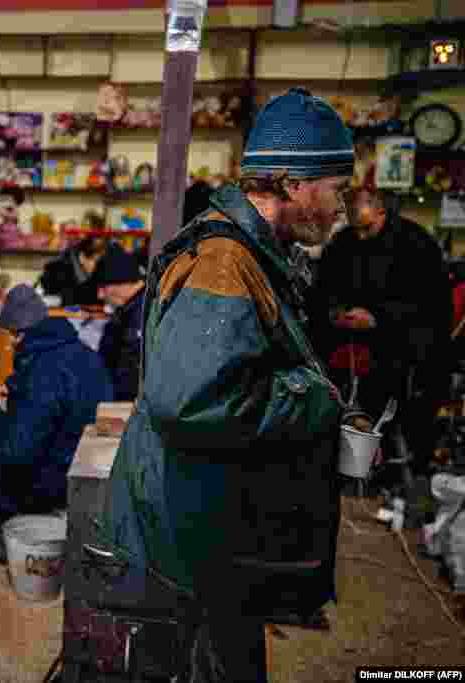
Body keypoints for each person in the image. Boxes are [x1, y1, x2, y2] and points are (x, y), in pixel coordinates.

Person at [99, 88, 351, 680]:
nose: (342, 205)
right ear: (293, 183)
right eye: (337, 187)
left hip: (214, 522)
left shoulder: (260, 253)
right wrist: (312, 399)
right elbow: (189, 401)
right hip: (192, 536)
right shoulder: (224, 261)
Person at [0, 284, 114, 563]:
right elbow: (52, 388)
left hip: (49, 482)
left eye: (9, 336)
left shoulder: (43, 374)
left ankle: (2, 533)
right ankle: (3, 516)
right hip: (85, 471)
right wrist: (14, 389)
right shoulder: (79, 351)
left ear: (17, 332)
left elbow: (18, 452)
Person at [312, 186, 451, 474]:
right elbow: (323, 289)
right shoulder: (343, 242)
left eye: (367, 228)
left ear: (381, 211)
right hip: (348, 341)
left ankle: (387, 465)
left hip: (404, 342)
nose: (361, 236)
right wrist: (336, 313)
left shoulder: (416, 244)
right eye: (356, 229)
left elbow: (431, 306)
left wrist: (379, 319)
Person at [93, 243, 146, 402]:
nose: (100, 296)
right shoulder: (129, 311)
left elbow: (129, 374)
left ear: (120, 283)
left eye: (103, 287)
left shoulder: (141, 313)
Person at [36, 235, 106, 306]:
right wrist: (94, 294)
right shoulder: (55, 268)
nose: (95, 265)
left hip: (88, 314)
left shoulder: (98, 267)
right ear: (82, 255)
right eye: (93, 260)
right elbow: (59, 298)